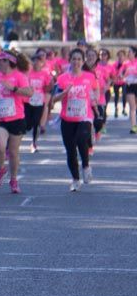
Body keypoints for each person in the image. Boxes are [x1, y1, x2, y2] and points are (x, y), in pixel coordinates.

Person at [0, 51, 32, 194]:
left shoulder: (19, 76)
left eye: (0, 61)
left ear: (9, 62)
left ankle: (14, 179)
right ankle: (1, 169)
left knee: (13, 152)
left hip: (16, 118)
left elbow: (29, 92)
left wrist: (14, 88)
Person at [52, 48, 98, 190]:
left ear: (83, 61)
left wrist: (94, 100)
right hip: (67, 118)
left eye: (79, 59)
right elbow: (54, 99)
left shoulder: (89, 77)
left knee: (81, 139)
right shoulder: (63, 78)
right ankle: (75, 179)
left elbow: (95, 90)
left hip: (85, 116)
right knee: (70, 150)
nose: (76, 61)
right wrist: (65, 92)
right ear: (70, 61)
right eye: (74, 59)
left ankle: (86, 165)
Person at [25, 52, 53, 153]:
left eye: (39, 61)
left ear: (42, 63)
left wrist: (48, 87)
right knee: (28, 125)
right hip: (28, 101)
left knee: (36, 122)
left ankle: (34, 143)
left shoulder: (45, 74)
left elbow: (49, 86)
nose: (36, 63)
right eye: (35, 61)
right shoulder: (28, 73)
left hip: (39, 101)